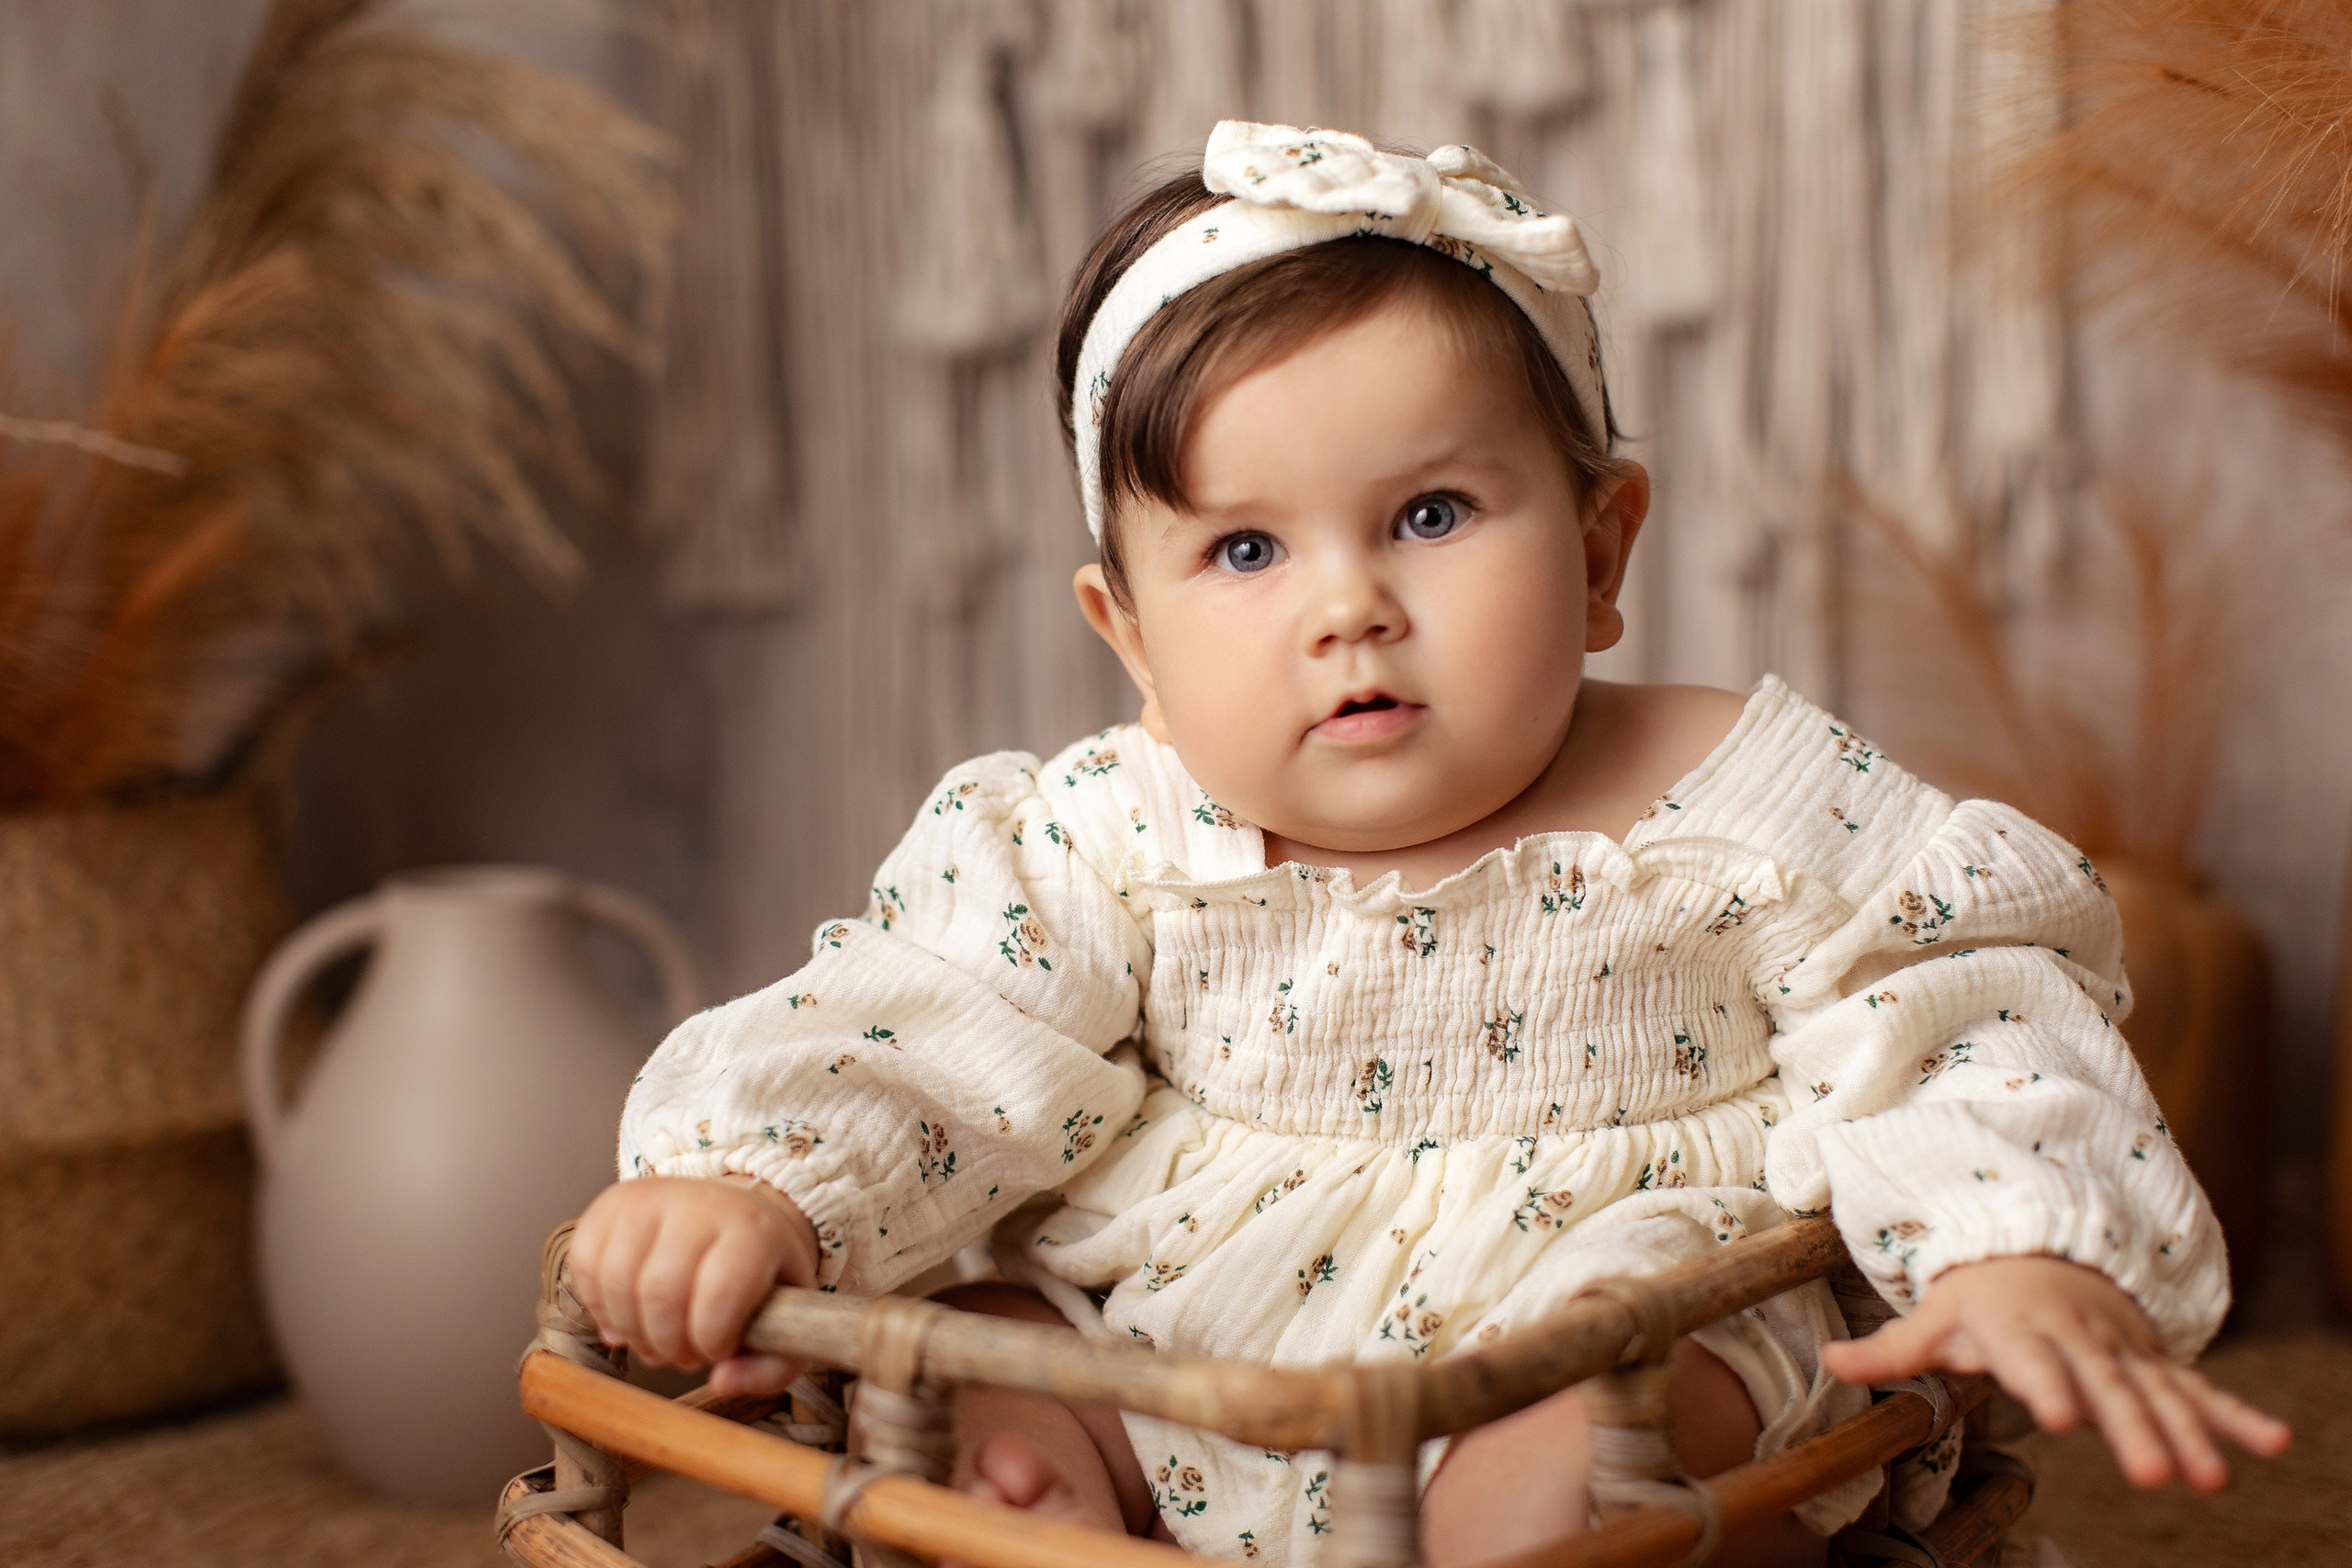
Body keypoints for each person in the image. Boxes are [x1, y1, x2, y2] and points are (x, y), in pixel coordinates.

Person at [568, 124, 2288, 1566]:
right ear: (1132, 637)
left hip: (1590, 1322)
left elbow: (1962, 995)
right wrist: (757, 1176)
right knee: (982, 1371)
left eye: (1432, 515)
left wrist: (2020, 1240)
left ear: (1606, 549)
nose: (1350, 609)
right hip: (1175, 1350)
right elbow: (923, 1010)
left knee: (1603, 1450)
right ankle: (1045, 1505)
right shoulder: (1101, 835)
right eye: (1244, 552)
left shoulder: (1745, 796)